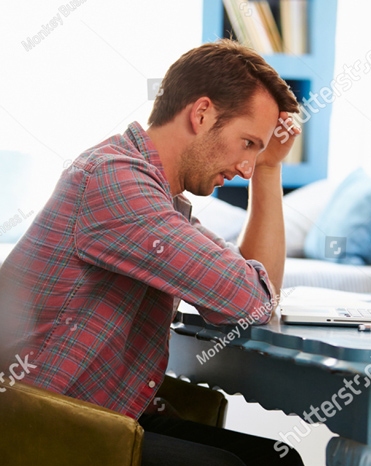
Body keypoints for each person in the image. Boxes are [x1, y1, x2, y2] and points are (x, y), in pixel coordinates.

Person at [0, 39, 303, 465]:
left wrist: (270, 170)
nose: (245, 167)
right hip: (40, 424)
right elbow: (248, 301)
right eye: (249, 144)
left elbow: (258, 290)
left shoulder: (159, 201)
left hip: (105, 413)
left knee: (276, 458)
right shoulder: (114, 180)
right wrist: (250, 288)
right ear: (201, 114)